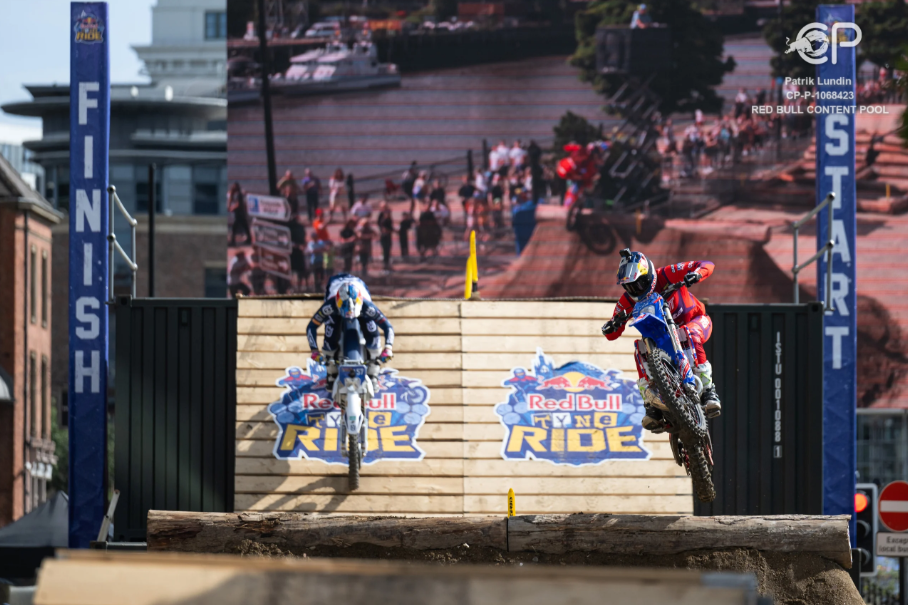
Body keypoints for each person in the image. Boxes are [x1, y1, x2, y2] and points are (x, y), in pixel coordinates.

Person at [601, 249, 721, 432]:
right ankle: (652, 405)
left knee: (689, 333)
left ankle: (708, 390)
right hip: (663, 339)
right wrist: (612, 325)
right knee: (639, 348)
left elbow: (707, 264)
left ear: (648, 274)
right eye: (630, 286)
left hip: (696, 321)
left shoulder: (666, 274)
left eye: (639, 284)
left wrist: (696, 274)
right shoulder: (627, 300)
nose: (636, 290)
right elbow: (612, 333)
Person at [306, 275, 394, 392]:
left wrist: (388, 348)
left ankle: (373, 372)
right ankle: (331, 372)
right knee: (329, 336)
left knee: (373, 334)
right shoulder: (330, 305)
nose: (349, 315)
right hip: (335, 288)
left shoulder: (368, 306)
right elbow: (311, 326)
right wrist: (314, 351)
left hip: (359, 288)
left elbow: (387, 326)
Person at [377, 202, 394, 271]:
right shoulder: (381, 215)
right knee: (384, 250)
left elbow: (390, 225)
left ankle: (387, 265)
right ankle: (385, 266)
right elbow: (378, 223)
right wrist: (382, 229)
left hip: (388, 235)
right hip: (383, 235)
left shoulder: (389, 215)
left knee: (388, 249)